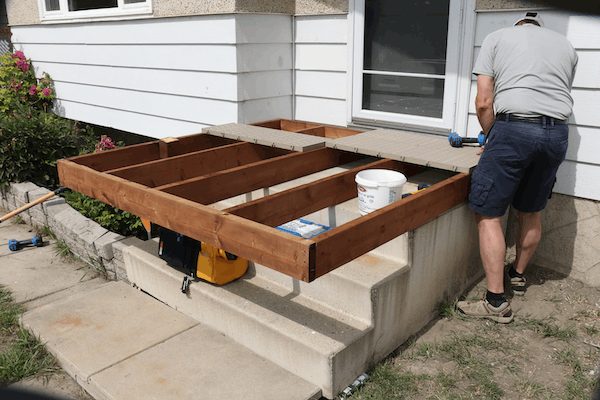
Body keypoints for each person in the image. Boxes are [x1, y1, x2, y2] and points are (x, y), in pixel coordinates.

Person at [457, 12, 578, 323]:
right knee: (531, 209)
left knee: (488, 212)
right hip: (557, 133)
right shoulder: (566, 46)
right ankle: (518, 276)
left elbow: (484, 101)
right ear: (538, 27)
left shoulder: (497, 38)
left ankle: (496, 301)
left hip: (515, 130)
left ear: (517, 25)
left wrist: (489, 135)